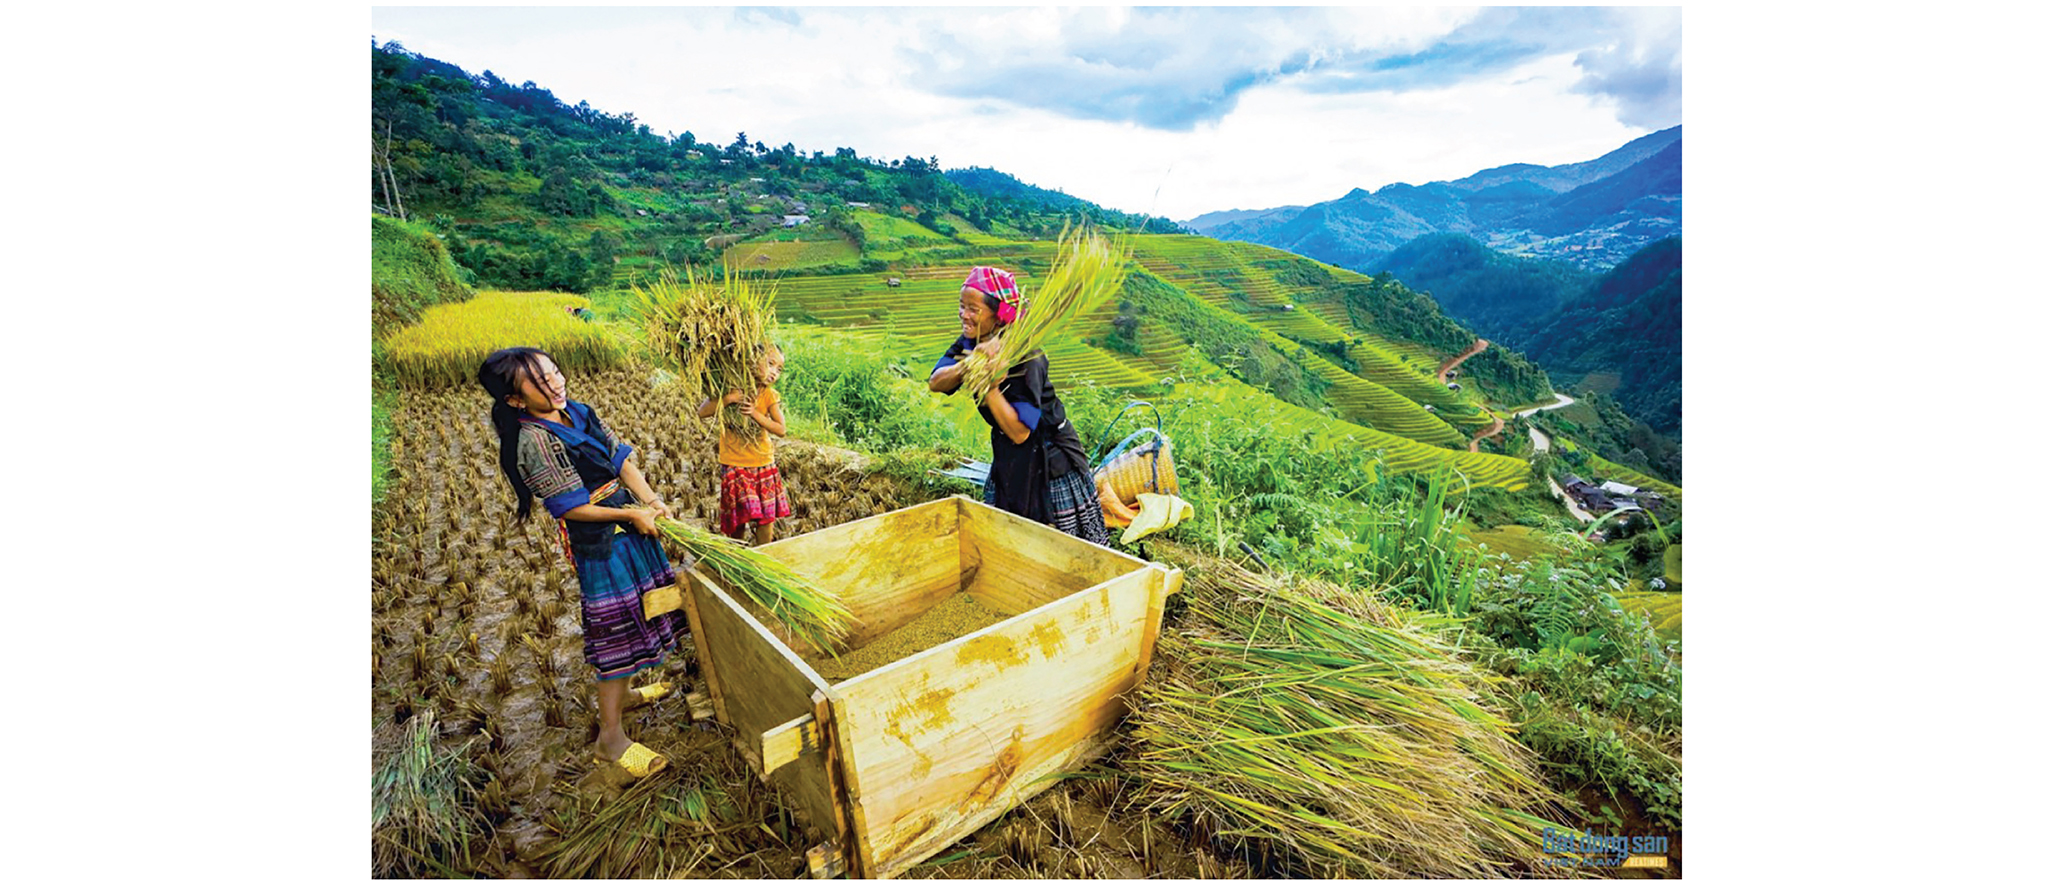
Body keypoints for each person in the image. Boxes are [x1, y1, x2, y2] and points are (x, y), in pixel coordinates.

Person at [478, 346, 685, 778]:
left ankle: (625, 695)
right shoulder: (535, 440)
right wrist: (632, 514)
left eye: (554, 373)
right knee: (619, 631)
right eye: (538, 383)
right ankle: (610, 739)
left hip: (631, 523)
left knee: (642, 615)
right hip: (602, 542)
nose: (554, 384)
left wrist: (650, 500)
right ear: (515, 400)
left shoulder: (577, 410)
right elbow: (569, 508)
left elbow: (620, 459)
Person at [928, 266, 1110, 545]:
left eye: (974, 309)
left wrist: (988, 386)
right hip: (1009, 459)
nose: (964, 315)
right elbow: (936, 381)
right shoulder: (972, 342)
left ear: (999, 314)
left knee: (1060, 549)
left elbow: (1020, 432)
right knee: (1008, 544)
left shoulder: (1027, 357)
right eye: (962, 306)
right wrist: (969, 364)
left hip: (1049, 463)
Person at [697, 342, 792, 545]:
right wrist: (730, 398)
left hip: (762, 462)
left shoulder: (769, 395)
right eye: (770, 364)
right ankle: (737, 554)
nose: (774, 372)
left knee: (766, 519)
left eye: (779, 369)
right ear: (752, 360)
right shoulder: (729, 386)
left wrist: (755, 414)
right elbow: (702, 412)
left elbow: (781, 429)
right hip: (734, 463)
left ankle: (764, 553)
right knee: (738, 518)